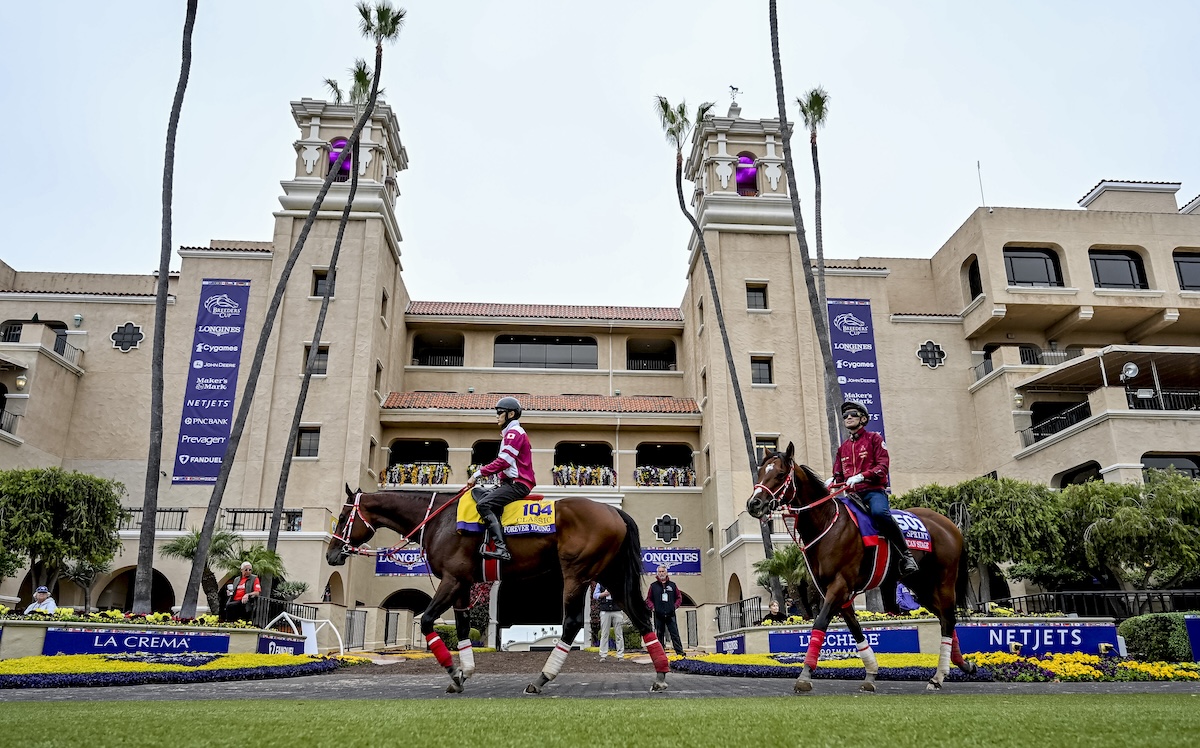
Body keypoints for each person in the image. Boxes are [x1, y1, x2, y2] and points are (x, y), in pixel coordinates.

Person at [828, 400, 920, 576]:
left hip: (873, 492)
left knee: (879, 513)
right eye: (845, 416)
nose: (847, 418)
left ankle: (906, 554)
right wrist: (831, 480)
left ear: (863, 419)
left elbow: (883, 466)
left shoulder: (874, 439)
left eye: (852, 414)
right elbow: (839, 475)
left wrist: (862, 476)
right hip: (852, 496)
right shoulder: (843, 448)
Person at [465, 396, 535, 561]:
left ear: (510, 414)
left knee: (484, 504)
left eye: (499, 412)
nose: (496, 416)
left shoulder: (514, 433)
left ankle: (501, 548)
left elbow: (503, 462)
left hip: (518, 484)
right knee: (478, 494)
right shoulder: (510, 433)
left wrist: (477, 474)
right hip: (511, 483)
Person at [645, 565, 685, 656]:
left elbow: (679, 598)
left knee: (674, 634)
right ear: (657, 573)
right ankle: (660, 654)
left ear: (666, 573)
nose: (661, 573)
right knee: (659, 634)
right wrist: (653, 607)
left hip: (671, 615)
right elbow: (648, 599)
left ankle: (680, 653)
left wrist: (674, 607)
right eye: (659, 571)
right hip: (658, 615)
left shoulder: (672, 585)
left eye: (663, 571)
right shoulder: (653, 586)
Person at [593, 583, 625, 659]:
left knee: (619, 633)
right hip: (605, 610)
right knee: (604, 633)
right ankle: (603, 654)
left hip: (617, 609)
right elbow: (595, 595)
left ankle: (620, 654)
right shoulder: (600, 583)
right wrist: (604, 594)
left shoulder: (618, 581)